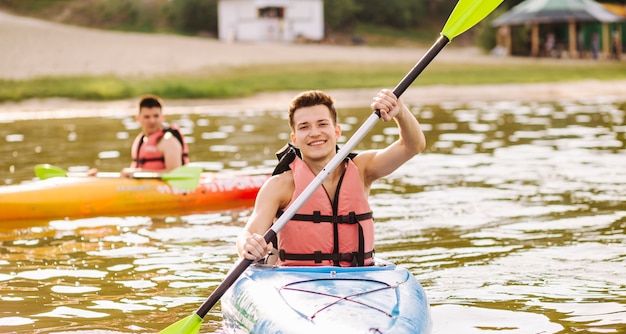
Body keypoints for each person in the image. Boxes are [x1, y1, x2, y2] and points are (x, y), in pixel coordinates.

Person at [236, 88, 426, 267]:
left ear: (337, 131)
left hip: (359, 279)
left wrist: (400, 112)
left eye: (322, 124)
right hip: (297, 283)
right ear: (295, 138)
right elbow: (249, 233)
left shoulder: (362, 169)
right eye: (304, 127)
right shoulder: (280, 185)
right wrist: (247, 244)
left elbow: (412, 146)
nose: (314, 133)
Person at [122, 94, 189, 176]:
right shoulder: (140, 140)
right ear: (138, 119)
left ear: (162, 117)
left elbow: (175, 174)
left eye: (156, 116)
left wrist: (139, 173)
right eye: (147, 117)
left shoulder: (168, 141)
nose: (152, 121)